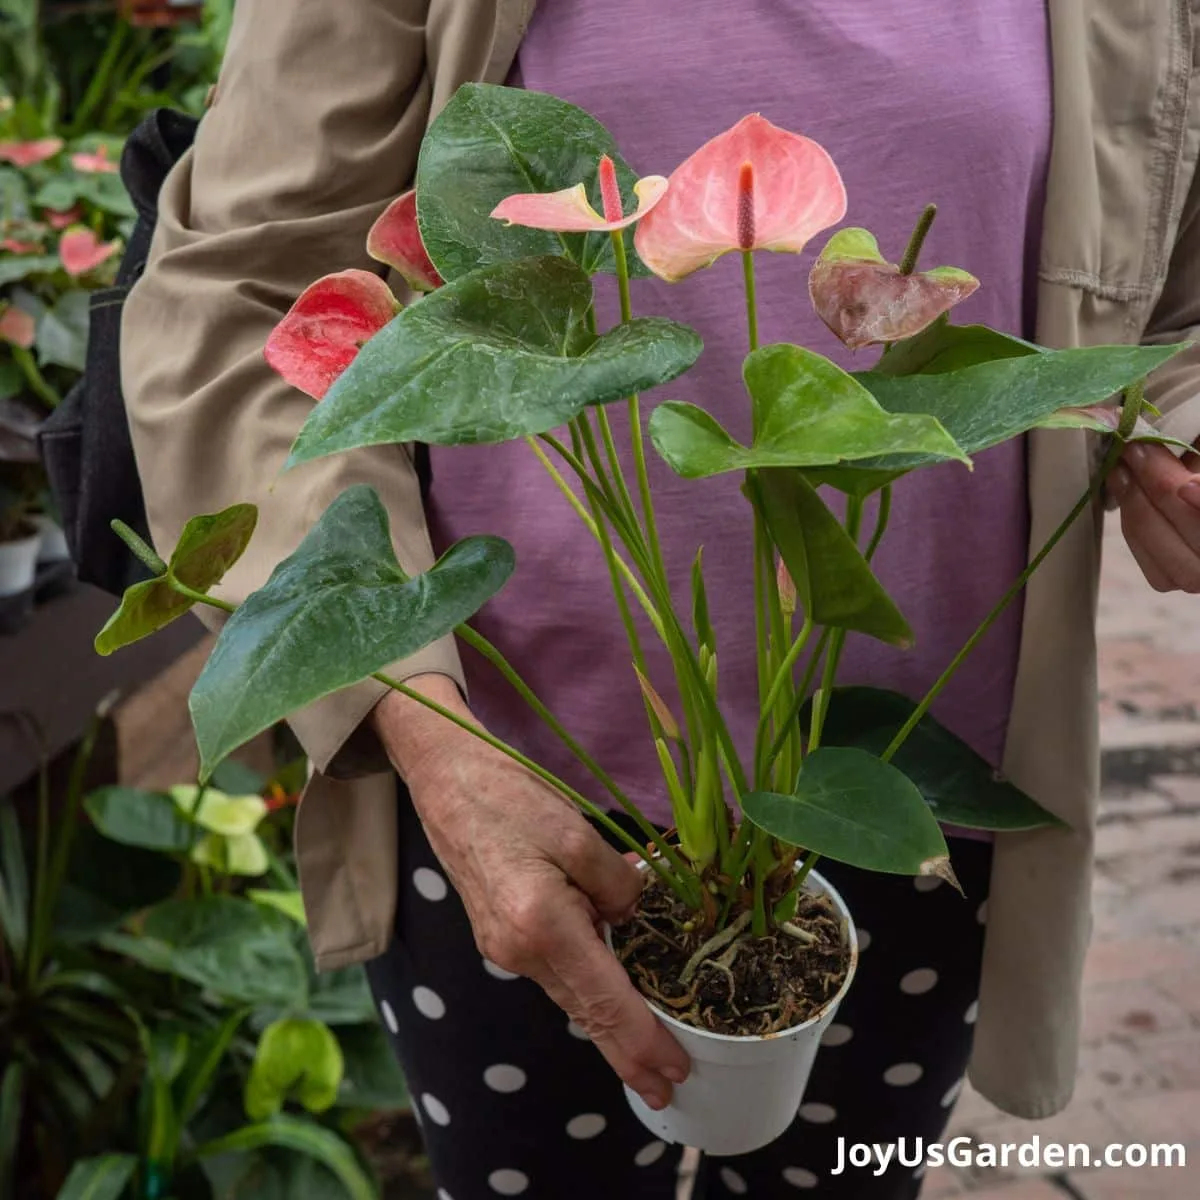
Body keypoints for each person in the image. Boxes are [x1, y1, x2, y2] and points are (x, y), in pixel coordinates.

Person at [120, 3, 1200, 1197]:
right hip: (513, 804)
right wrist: (429, 729)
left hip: (908, 786)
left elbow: (1168, 287)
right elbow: (245, 293)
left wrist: (1177, 437)